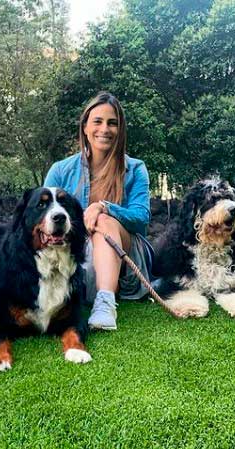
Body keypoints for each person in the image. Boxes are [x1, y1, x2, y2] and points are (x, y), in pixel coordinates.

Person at [44, 92, 152, 331]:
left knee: (103, 220)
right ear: (85, 127)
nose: (105, 129)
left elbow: (141, 218)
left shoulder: (136, 169)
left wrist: (104, 207)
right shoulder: (60, 170)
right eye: (98, 121)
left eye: (112, 123)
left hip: (127, 259)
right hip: (72, 252)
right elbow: (43, 219)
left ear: (120, 130)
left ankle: (105, 303)